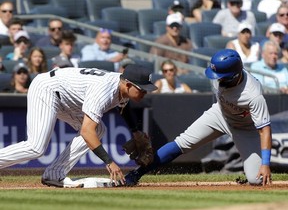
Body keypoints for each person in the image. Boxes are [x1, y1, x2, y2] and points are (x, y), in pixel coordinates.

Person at [124, 49, 273, 187]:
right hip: (220, 114)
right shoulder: (223, 74)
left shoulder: (253, 95)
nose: (217, 79)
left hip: (244, 128)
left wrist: (265, 164)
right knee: (181, 143)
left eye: (220, 76)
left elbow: (265, 130)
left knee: (257, 179)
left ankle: (250, 172)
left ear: (234, 75)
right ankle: (136, 174)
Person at [0, 64, 157, 187]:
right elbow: (87, 132)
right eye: (142, 89)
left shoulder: (122, 85)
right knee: (36, 147)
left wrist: (136, 132)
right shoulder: (104, 91)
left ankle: (55, 174)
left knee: (100, 129)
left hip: (66, 99)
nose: (145, 93)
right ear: (128, 84)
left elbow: (123, 106)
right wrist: (109, 162)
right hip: (47, 88)